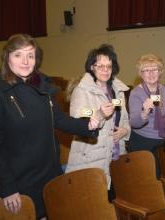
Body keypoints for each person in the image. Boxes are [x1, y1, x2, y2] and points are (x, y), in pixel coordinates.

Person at [0, 34, 100, 219]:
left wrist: (88, 125)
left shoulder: (42, 84)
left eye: (31, 55)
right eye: (18, 55)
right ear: (7, 57)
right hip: (20, 180)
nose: (25, 61)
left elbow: (59, 119)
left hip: (49, 172)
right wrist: (7, 188)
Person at [65, 44, 130, 200]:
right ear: (92, 67)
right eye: (100, 66)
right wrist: (98, 113)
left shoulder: (117, 90)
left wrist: (124, 131)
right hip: (92, 155)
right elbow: (78, 114)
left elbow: (125, 118)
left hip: (115, 153)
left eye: (109, 66)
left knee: (113, 202)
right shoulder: (82, 89)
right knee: (94, 204)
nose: (105, 70)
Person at [128, 53, 165, 178]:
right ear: (140, 73)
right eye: (146, 70)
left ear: (160, 72)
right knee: (148, 179)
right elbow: (133, 122)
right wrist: (144, 112)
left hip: (164, 140)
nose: (151, 73)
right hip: (143, 141)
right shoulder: (136, 93)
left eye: (155, 69)